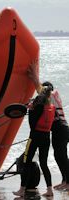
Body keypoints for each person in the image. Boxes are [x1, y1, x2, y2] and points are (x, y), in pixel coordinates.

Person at [27, 60, 69, 190]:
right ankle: (65, 181)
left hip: (60, 130)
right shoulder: (52, 99)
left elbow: (41, 89)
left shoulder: (52, 94)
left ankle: (68, 183)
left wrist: (34, 76)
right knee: (59, 156)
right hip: (62, 130)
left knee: (61, 156)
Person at [13, 86, 55, 198]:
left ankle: (21, 190)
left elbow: (32, 125)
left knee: (26, 162)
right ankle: (49, 190)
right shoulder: (51, 106)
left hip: (35, 137)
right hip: (46, 137)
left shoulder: (38, 106)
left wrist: (31, 109)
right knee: (44, 163)